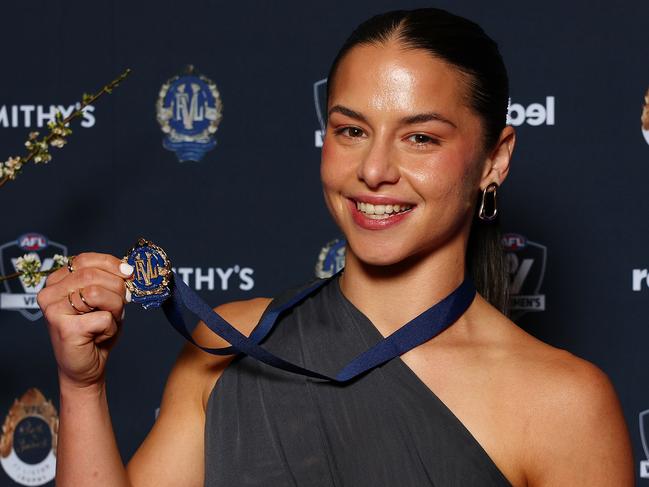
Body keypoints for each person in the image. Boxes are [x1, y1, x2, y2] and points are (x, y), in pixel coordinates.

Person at [37, 7, 633, 487]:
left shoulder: (565, 405)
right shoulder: (225, 345)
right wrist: (83, 389)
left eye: (420, 137)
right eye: (351, 130)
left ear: (494, 159)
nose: (374, 170)